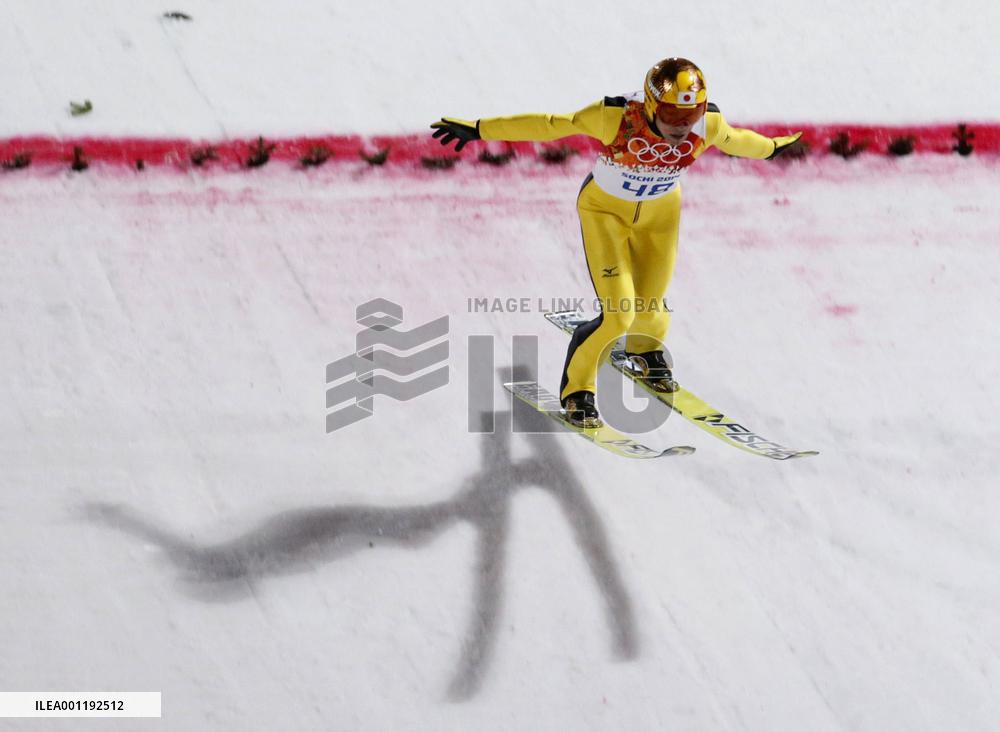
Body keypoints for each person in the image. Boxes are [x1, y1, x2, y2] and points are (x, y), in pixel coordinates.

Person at [432, 57, 801, 428]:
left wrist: (771, 148)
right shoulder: (615, 117)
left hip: (660, 216)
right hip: (605, 213)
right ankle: (578, 389)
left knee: (651, 304)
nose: (681, 127)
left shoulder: (708, 124)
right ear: (651, 106)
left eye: (690, 116)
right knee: (618, 315)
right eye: (672, 116)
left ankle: (645, 351)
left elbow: (736, 140)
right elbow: (550, 125)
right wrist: (480, 130)